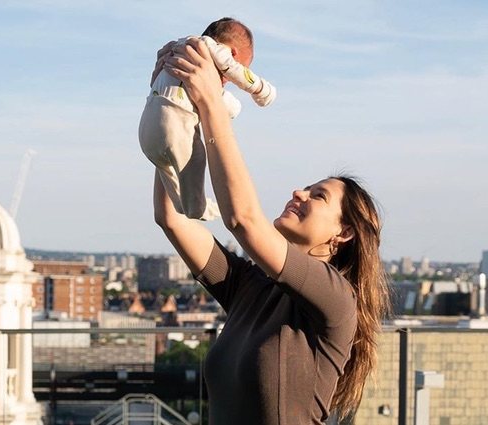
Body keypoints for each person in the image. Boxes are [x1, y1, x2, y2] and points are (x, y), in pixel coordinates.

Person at [151, 32, 390, 424]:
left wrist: (212, 101)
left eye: (318, 196)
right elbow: (173, 218)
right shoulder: (250, 286)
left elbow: (244, 221)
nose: (299, 192)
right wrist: (175, 108)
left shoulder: (336, 298)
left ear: (342, 233)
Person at [140, 18, 276, 221]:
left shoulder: (177, 48)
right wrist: (261, 90)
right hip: (174, 125)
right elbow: (235, 70)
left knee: (168, 172)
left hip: (146, 129)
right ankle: (197, 207)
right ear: (233, 53)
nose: (227, 81)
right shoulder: (209, 47)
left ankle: (182, 204)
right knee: (195, 160)